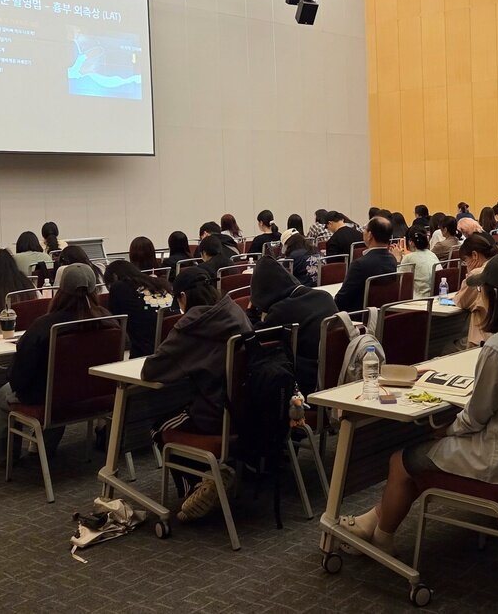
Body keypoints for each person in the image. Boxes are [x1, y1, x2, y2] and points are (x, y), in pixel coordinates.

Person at [339, 253, 498, 555]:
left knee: (402, 460)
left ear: (495, 296)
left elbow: (475, 418)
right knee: (426, 457)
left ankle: (382, 542)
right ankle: (372, 522)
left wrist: (446, 431)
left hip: (496, 459)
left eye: (483, 291)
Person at [141, 265, 251, 522]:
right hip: (248, 408)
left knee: (160, 427)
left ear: (182, 298)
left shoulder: (191, 325)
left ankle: (198, 485)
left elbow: (152, 370)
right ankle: (212, 475)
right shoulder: (234, 309)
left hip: (216, 415)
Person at [0, 265, 116, 463]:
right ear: (95, 290)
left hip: (53, 400)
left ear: (60, 291)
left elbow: (19, 377)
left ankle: (4, 456)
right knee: (59, 387)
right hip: (95, 396)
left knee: (2, 397)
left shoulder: (44, 326)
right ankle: (43, 449)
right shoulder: (109, 320)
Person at [248, 256, 336, 396]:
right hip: (336, 374)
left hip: (307, 383)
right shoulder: (324, 296)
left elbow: (252, 336)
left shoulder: (282, 310)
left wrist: (251, 311)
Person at [103, 260, 175, 358]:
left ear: (115, 277)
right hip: (175, 347)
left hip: (145, 355)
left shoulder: (119, 287)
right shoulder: (159, 283)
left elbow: (116, 324)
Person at [335, 217, 398, 311]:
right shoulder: (392, 260)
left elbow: (341, 299)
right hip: (383, 314)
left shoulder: (359, 264)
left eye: (365, 229)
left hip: (358, 316)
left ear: (369, 235)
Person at [453, 232, 498, 346]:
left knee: (446, 349)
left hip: (483, 337)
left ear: (474, 255)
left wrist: (470, 274)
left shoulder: (478, 275)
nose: (466, 265)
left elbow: (461, 301)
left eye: (465, 261)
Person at [391, 227, 440, 298]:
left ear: (410, 242)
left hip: (419, 298)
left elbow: (398, 279)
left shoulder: (409, 257)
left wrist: (397, 259)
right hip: (435, 297)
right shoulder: (432, 254)